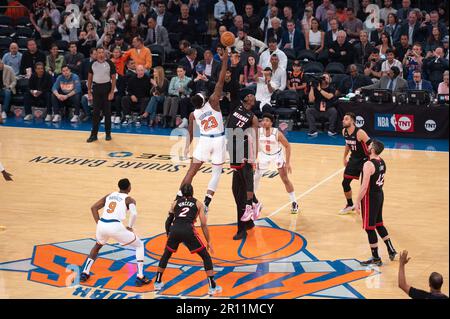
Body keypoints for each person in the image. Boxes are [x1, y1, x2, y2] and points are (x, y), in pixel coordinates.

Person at [174, 49, 229, 215]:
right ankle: (206, 202)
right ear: (203, 99)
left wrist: (185, 148)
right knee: (216, 172)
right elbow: (220, 80)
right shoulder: (213, 102)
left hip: (204, 141)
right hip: (218, 141)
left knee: (192, 171)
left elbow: (190, 133)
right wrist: (225, 61)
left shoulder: (193, 114)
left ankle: (178, 198)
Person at [79, 178, 151, 287]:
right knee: (139, 245)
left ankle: (85, 272)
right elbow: (134, 214)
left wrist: (99, 223)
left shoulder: (110, 195)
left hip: (102, 225)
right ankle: (140, 276)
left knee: (97, 246)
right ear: (129, 187)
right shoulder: (129, 199)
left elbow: (93, 208)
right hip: (115, 226)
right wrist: (130, 227)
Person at [154, 183, 221, 295]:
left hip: (174, 230)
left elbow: (168, 221)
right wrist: (208, 240)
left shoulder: (175, 203)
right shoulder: (198, 204)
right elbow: (203, 224)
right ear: (192, 192)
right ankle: (212, 287)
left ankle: (157, 282)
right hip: (188, 230)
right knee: (205, 256)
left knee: (166, 254)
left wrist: (168, 234)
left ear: (182, 193)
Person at [354, 139, 397, 266]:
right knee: (379, 224)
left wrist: (357, 201)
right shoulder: (381, 161)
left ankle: (376, 257)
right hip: (379, 194)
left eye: (370, 145)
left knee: (369, 228)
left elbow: (364, 186)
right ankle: (391, 249)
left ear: (372, 149)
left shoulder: (368, 164)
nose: (368, 146)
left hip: (370, 197)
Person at [226, 93, 259, 239]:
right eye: (248, 94)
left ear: (253, 102)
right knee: (237, 189)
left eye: (253, 95)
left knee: (241, 191)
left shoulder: (253, 118)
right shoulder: (237, 107)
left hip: (244, 153)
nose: (250, 95)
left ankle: (241, 229)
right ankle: (250, 220)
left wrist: (254, 158)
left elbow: (255, 139)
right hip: (233, 150)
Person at [254, 113, 299, 214]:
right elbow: (256, 146)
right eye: (263, 120)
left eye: (267, 120)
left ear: (271, 123)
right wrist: (254, 159)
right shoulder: (258, 132)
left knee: (285, 179)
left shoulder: (277, 133)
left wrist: (287, 163)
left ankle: (294, 202)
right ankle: (253, 201)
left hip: (276, 156)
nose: (264, 122)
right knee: (256, 177)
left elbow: (287, 146)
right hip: (264, 155)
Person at [340, 112, 371, 214]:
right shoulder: (344, 131)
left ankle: (365, 208)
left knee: (365, 186)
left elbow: (371, 145)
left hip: (365, 160)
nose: (344, 121)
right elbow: (348, 145)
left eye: (346, 119)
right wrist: (344, 157)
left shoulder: (360, 133)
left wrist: (373, 160)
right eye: (344, 119)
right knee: (345, 183)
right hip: (354, 159)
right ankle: (350, 205)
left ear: (352, 121)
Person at [86, 47, 116, 143]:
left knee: (107, 113)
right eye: (99, 52)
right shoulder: (92, 64)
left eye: (102, 52)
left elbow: (113, 78)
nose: (101, 54)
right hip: (96, 89)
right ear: (96, 54)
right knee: (95, 113)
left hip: (107, 88)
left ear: (105, 53)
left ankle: (108, 134)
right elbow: (90, 78)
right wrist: (89, 91)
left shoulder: (110, 63)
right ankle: (94, 135)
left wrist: (111, 92)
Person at [306, 73, 338, 137]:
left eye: (326, 78)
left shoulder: (331, 88)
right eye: (323, 78)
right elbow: (311, 100)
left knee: (333, 111)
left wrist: (320, 89)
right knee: (309, 111)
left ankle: (331, 130)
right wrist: (312, 88)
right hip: (317, 110)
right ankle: (313, 131)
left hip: (327, 110)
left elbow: (329, 96)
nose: (324, 79)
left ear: (329, 80)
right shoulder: (316, 87)